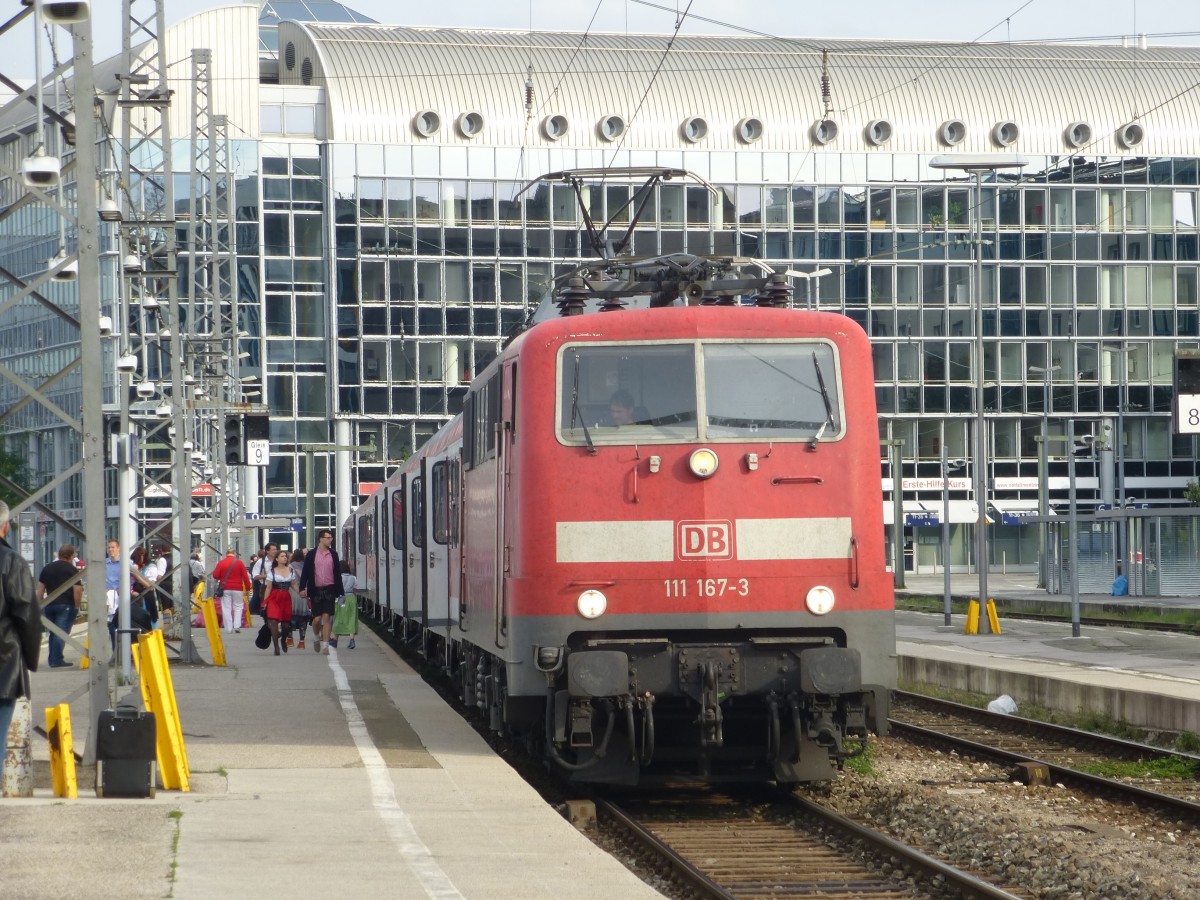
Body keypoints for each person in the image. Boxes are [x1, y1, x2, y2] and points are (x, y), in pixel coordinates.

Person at [0, 500, 40, 741]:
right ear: (5, 527)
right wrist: (30, 659)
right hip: (4, 663)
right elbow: (28, 616)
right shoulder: (11, 561)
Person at [36, 544, 82, 669]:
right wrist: (77, 606)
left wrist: (38, 606)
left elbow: (40, 590)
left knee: (53, 632)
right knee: (61, 633)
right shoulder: (71, 569)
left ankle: (53, 659)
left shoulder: (47, 568)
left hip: (49, 605)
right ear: (71, 556)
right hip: (66, 604)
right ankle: (56, 659)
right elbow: (77, 590)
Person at [299, 529, 343, 656]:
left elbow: (337, 574)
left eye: (331, 537)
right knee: (317, 619)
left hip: (330, 589)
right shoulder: (311, 554)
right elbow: (305, 573)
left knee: (327, 617)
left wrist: (341, 593)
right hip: (315, 590)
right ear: (321, 539)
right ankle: (316, 636)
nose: (331, 540)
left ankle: (325, 645)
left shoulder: (333, 554)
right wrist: (302, 588)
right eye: (328, 537)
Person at [211, 548, 251, 634]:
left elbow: (215, 575)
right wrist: (248, 588)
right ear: (235, 554)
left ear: (226, 554)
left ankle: (228, 629)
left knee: (226, 608)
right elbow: (245, 577)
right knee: (238, 606)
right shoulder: (239, 563)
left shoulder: (221, 562)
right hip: (238, 588)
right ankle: (237, 625)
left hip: (225, 588)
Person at [263, 550, 295, 656]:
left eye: (286, 556)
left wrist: (302, 593)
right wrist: (264, 602)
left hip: (286, 598)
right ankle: (276, 646)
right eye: (282, 556)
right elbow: (268, 587)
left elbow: (293, 584)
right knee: (273, 622)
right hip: (274, 597)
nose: (285, 558)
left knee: (286, 625)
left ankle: (283, 639)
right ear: (277, 559)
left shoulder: (290, 570)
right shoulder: (272, 571)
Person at [329, 560, 359, 650]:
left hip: (341, 598)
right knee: (351, 619)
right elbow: (356, 589)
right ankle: (352, 640)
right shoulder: (353, 578)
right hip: (351, 598)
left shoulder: (338, 578)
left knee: (338, 618)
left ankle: (335, 640)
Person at [250, 543, 278, 624]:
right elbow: (255, 576)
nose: (275, 551)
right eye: (273, 549)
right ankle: (268, 624)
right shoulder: (261, 562)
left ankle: (276, 624)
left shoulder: (278, 560)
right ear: (267, 551)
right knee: (266, 608)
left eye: (276, 549)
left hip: (278, 587)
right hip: (265, 587)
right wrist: (266, 576)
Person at [289, 548, 309, 649]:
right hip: (304, 594)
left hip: (292, 593)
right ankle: (302, 641)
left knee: (290, 617)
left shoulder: (290, 567)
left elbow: (289, 581)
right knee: (303, 619)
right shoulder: (307, 566)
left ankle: (290, 639)